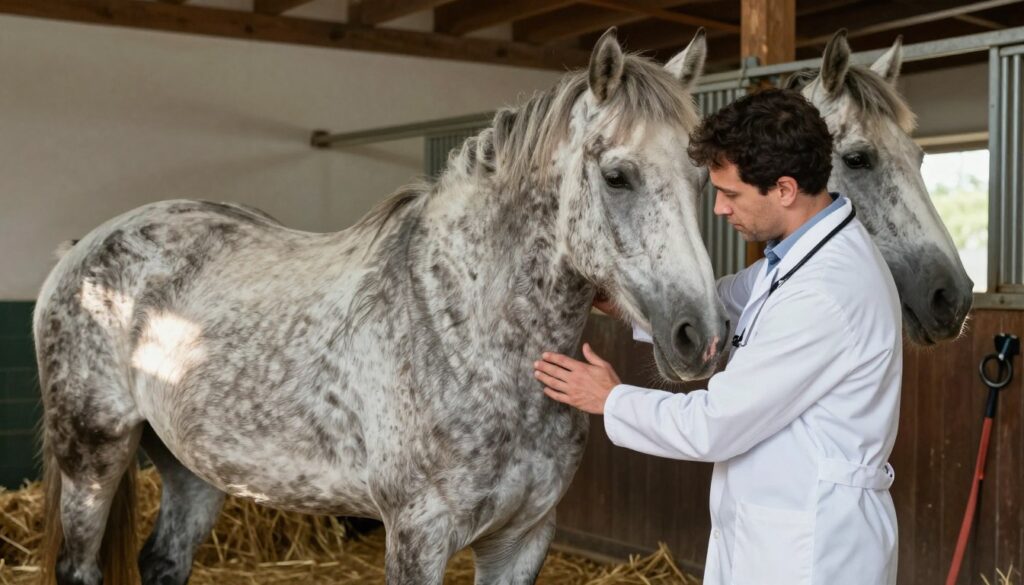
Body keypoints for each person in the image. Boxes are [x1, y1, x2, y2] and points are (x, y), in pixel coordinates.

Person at [534, 89, 901, 585]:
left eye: (731, 194)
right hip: (775, 527)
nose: (722, 210)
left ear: (785, 190)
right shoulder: (799, 255)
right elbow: (728, 304)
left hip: (813, 548)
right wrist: (633, 307)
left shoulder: (826, 291)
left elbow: (715, 424)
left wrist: (610, 400)